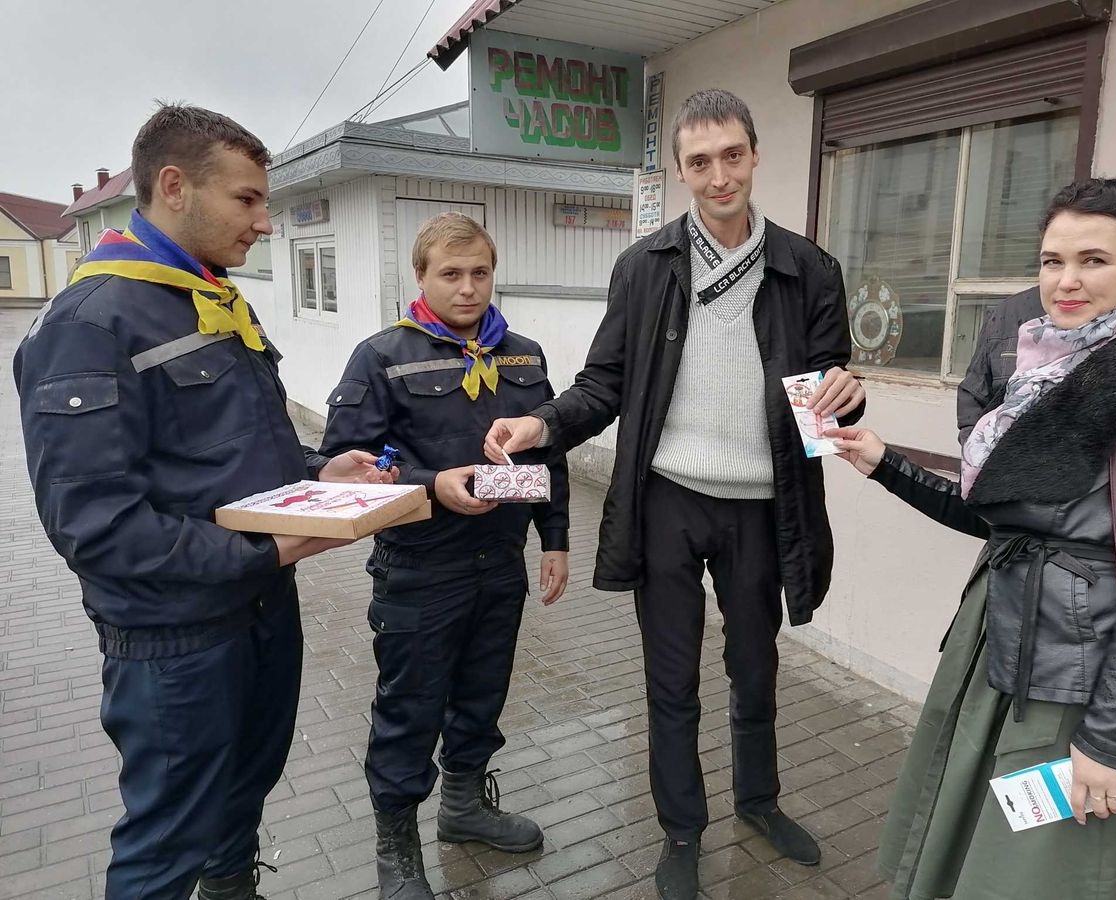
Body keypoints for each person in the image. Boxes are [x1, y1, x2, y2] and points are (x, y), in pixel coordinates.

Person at [483, 89, 866, 900]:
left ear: (756, 155)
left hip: (765, 505)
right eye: (700, 161)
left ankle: (758, 802)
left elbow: (830, 393)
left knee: (755, 666)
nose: (719, 175)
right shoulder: (646, 266)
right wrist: (541, 427)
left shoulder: (810, 269)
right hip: (667, 500)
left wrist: (848, 397)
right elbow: (604, 383)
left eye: (732, 155)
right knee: (671, 678)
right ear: (682, 170)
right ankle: (681, 828)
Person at [13, 104, 394, 900]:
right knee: (164, 845)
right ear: (176, 186)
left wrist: (318, 474)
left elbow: (241, 450)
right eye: (247, 199)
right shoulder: (89, 323)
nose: (265, 220)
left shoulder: (211, 299)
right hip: (174, 641)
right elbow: (95, 527)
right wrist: (265, 549)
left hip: (258, 611)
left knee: (237, 804)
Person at [828, 175, 1116, 898]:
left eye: (1094, 260)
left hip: (1082, 667)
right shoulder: (1041, 366)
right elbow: (1003, 523)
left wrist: (1108, 738)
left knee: (1050, 866)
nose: (1065, 281)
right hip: (996, 636)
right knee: (978, 837)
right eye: (1051, 261)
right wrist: (886, 466)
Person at [319, 212, 570, 900]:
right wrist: (432, 486)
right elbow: (340, 470)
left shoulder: (525, 356)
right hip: (418, 569)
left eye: (480, 273)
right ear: (422, 277)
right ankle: (395, 844)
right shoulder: (382, 356)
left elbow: (547, 453)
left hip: (500, 564)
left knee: (481, 694)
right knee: (410, 707)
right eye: (450, 275)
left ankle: (463, 809)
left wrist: (555, 539)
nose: (468, 289)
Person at [957, 283, 1116, 445]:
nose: (1069, 281)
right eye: (1053, 259)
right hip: (1002, 504)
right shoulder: (1011, 313)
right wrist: (985, 465)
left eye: (1094, 259)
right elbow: (975, 396)